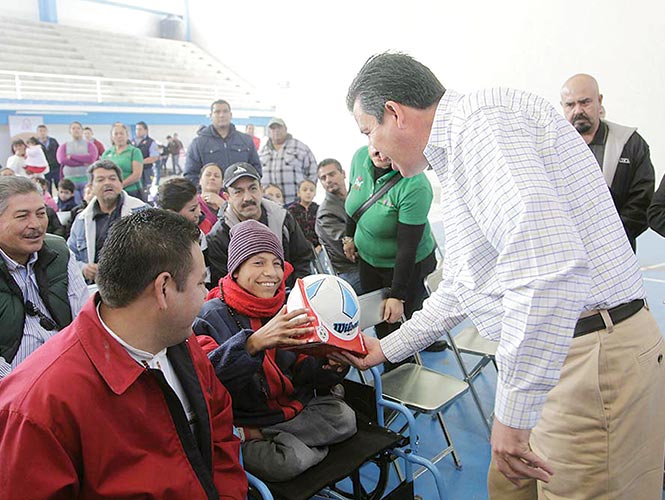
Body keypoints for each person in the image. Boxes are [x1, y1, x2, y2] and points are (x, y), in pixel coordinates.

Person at [340, 52, 665, 500]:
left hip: (588, 358)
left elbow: (547, 274)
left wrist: (511, 417)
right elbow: (460, 287)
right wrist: (385, 347)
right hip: (552, 355)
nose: (372, 149)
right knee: (507, 488)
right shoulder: (457, 155)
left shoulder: (482, 127)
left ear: (394, 113)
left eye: (368, 130)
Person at [0, 209, 247, 498]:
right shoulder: (37, 408)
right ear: (163, 289)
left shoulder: (179, 341)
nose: (206, 295)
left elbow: (218, 424)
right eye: (201, 283)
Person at [193, 219, 356, 482]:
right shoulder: (208, 316)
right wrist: (253, 344)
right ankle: (264, 439)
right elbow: (208, 382)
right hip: (247, 414)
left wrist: (328, 366)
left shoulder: (292, 303)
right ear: (235, 269)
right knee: (286, 463)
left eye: (277, 263)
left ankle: (262, 438)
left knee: (345, 418)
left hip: (292, 411)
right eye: (258, 262)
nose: (271, 273)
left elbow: (304, 372)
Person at [344, 144, 441, 355]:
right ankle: (393, 360)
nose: (379, 153)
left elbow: (407, 248)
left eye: (387, 146)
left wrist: (398, 295)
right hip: (369, 260)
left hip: (411, 262)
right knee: (383, 319)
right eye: (374, 144)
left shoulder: (415, 185)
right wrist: (349, 236)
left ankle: (420, 346)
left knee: (413, 312)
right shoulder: (360, 156)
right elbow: (354, 202)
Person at [0, 176, 88, 379]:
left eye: (41, 214)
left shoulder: (58, 251)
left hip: (68, 372)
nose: (36, 225)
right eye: (22, 216)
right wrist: (23, 388)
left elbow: (83, 319)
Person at [560, 74, 655, 251]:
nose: (578, 110)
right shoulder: (551, 149)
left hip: (617, 253)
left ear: (599, 100)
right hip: (566, 254)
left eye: (585, 102)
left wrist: (612, 238)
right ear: (562, 107)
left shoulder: (630, 143)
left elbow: (642, 201)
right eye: (570, 105)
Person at [206, 162, 313, 288]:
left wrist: (295, 295)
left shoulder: (283, 219)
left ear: (261, 189)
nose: (247, 198)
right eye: (238, 192)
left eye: (253, 188)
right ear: (227, 197)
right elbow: (223, 284)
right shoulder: (219, 236)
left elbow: (303, 259)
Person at [68, 160, 147, 283]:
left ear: (121, 183)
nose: (107, 183)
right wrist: (83, 268)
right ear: (91, 187)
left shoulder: (143, 212)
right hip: (95, 288)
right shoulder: (81, 220)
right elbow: (70, 257)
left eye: (112, 178)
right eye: (100, 180)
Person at [185, 100, 261, 186]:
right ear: (211, 116)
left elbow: (256, 170)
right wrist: (204, 194)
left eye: (225, 111)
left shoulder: (246, 140)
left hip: (240, 196)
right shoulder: (198, 143)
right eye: (217, 112)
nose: (221, 115)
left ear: (230, 115)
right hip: (210, 197)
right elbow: (190, 174)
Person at [315, 158, 362, 293]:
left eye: (332, 174)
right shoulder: (326, 213)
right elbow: (350, 250)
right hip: (352, 271)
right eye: (323, 178)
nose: (328, 180)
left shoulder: (356, 197)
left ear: (343, 173)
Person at [157, 177, 210, 286]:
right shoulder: (155, 242)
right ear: (172, 213)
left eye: (198, 205)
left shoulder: (199, 236)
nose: (199, 213)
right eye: (192, 209)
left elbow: (206, 275)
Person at [259, 118, 317, 205]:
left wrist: (306, 194)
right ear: (268, 132)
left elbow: (313, 172)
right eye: (273, 128)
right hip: (269, 204)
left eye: (279, 128)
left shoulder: (300, 147)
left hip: (295, 203)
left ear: (285, 129)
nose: (276, 131)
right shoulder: (262, 151)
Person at [56, 121, 99, 203]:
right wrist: (82, 162)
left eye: (78, 128)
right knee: (74, 205)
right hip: (69, 181)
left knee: (88, 202)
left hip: (86, 180)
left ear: (82, 130)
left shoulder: (90, 145)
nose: (76, 130)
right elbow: (62, 160)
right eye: (73, 128)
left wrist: (72, 157)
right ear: (70, 131)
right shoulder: (64, 146)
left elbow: (91, 158)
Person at [101, 122, 144, 200]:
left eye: (121, 133)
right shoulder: (107, 153)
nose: (119, 136)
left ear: (127, 136)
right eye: (116, 134)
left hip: (131, 192)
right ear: (112, 137)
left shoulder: (134, 151)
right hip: (112, 193)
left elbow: (136, 175)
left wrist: (120, 185)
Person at [287, 179, 320, 252]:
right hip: (298, 248)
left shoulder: (319, 209)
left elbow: (323, 231)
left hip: (317, 248)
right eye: (305, 190)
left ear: (315, 193)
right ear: (298, 193)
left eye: (311, 190)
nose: (308, 192)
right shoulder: (291, 210)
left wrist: (319, 246)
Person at [198, 162, 227, 234]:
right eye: (208, 175)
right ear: (200, 181)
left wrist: (223, 204)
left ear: (222, 183)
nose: (212, 178)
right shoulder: (194, 203)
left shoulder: (229, 200)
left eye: (216, 176)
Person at [134, 121, 160, 201]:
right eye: (136, 129)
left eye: (140, 129)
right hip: (134, 172)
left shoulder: (151, 143)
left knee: (146, 193)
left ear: (146, 130)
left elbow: (154, 157)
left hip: (146, 171)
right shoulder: (132, 142)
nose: (137, 131)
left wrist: (139, 162)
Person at [36, 124, 60, 191]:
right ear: (37, 133)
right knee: (47, 187)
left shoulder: (53, 141)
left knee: (59, 185)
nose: (42, 133)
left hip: (56, 167)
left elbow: (58, 152)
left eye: (44, 131)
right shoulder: (35, 143)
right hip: (44, 169)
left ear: (46, 131)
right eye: (40, 131)